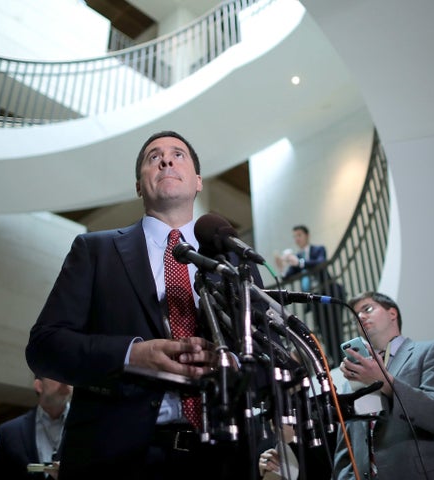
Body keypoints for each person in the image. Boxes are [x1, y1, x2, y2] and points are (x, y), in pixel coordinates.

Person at [26, 131, 262, 480]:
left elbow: (263, 357)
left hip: (222, 455)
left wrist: (226, 361)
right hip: (117, 457)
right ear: (139, 185)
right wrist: (131, 355)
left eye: (178, 154)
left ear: (198, 181)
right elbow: (44, 348)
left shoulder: (232, 258)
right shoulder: (95, 250)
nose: (166, 160)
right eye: (154, 157)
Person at [333, 292, 434, 479]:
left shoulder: (432, 351)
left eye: (367, 309)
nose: (360, 317)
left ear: (392, 314)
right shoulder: (355, 378)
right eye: (355, 317)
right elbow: (346, 448)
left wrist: (384, 381)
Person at [276, 225, 346, 365]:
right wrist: (282, 268)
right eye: (295, 236)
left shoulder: (318, 249)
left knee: (335, 329)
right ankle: (337, 361)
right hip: (315, 302)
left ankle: (343, 360)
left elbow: (320, 262)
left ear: (307, 236)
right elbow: (287, 276)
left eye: (299, 235)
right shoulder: (298, 257)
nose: (297, 239)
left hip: (328, 293)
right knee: (324, 333)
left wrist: (300, 263)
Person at [0, 376, 72, 480]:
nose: (65, 379)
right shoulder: (9, 431)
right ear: (39, 386)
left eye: (67, 373)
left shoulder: (90, 427)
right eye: (57, 375)